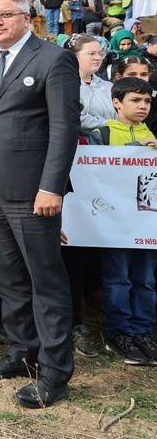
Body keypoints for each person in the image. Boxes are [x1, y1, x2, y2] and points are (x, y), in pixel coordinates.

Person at [0, 0, 79, 408]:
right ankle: (21, 350)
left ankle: (54, 371)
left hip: (34, 192)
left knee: (45, 280)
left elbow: (65, 129)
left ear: (27, 17)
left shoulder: (53, 59)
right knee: (10, 278)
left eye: (5, 15)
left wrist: (52, 186)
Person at [87, 77, 157, 364]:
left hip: (146, 224)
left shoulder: (153, 134)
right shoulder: (101, 133)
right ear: (116, 102)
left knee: (146, 280)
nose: (142, 106)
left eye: (147, 101)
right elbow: (94, 174)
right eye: (135, 100)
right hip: (114, 226)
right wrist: (133, 147)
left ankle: (143, 331)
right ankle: (119, 332)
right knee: (118, 280)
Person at [69, 34, 115, 130]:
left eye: (100, 53)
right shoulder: (64, 86)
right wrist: (110, 124)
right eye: (92, 53)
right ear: (74, 57)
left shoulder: (109, 86)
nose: (98, 58)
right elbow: (73, 117)